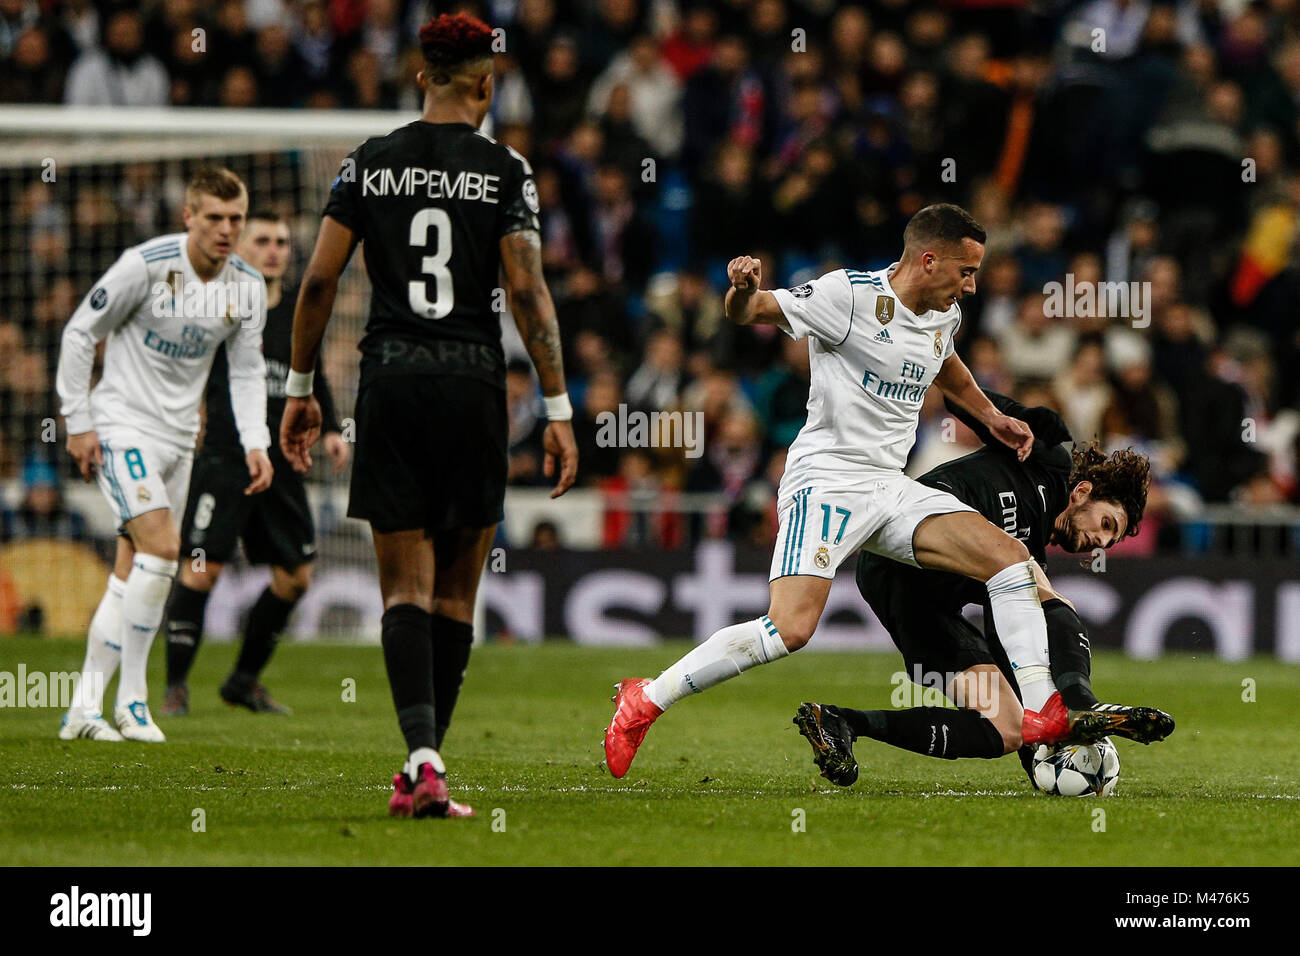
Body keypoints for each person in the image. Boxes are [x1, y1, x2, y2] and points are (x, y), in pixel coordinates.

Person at [604, 203, 1139, 778]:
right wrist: (739, 290)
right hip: (827, 480)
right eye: (966, 271)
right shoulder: (848, 298)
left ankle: (1042, 710)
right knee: (790, 629)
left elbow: (945, 363)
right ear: (929, 260)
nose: (973, 284)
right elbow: (749, 312)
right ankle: (647, 698)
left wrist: (991, 414)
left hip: (890, 486)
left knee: (1009, 561)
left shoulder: (943, 316)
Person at [279, 13, 578, 819]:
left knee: (402, 589)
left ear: (422, 77)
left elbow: (315, 285)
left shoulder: (369, 163)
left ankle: (420, 759)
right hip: (474, 386)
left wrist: (299, 387)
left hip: (392, 381)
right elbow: (528, 293)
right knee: (456, 595)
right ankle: (428, 766)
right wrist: (556, 405)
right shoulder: (507, 170)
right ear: (486, 84)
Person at [792, 390, 1174, 786]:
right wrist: (1000, 417)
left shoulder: (1029, 556)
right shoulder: (1049, 452)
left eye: (1110, 542)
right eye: (1107, 525)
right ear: (1083, 493)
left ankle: (839, 722)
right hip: (907, 537)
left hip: (918, 603)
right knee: (1038, 587)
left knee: (1008, 725)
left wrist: (1042, 748)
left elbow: (1010, 642)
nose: (1101, 542)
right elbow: (961, 398)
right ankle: (1081, 704)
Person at [55, 166, 272, 743]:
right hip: (123, 426)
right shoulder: (145, 265)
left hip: (181, 441)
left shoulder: (247, 287)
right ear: (189, 217)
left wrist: (257, 441)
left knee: (135, 573)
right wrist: (78, 423)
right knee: (165, 549)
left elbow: (248, 371)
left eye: (236, 219)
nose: (226, 230)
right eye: (215, 218)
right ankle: (134, 702)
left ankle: (81, 711)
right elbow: (80, 331)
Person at [161, 210, 349, 718]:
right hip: (225, 456)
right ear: (240, 247)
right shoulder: (215, 304)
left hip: (283, 461)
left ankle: (243, 681)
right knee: (201, 570)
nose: (274, 250)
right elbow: (182, 363)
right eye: (262, 240)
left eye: (283, 242)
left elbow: (311, 374)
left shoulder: (300, 311)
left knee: (296, 577)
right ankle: (175, 686)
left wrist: (330, 427)